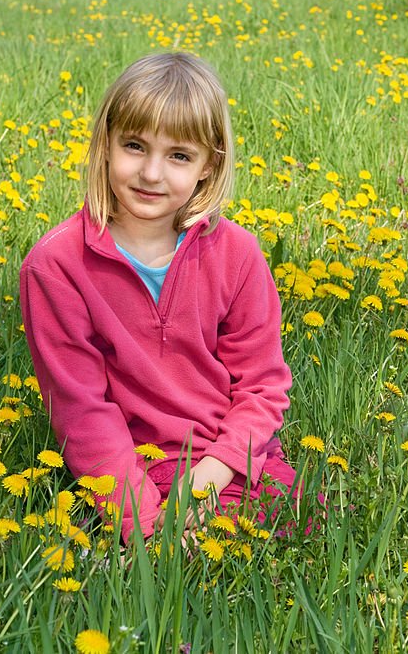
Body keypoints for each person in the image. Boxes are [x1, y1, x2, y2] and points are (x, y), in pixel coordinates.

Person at [19, 52, 296, 545]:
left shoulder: (238, 253)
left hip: (226, 457)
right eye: (134, 146)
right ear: (104, 144)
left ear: (210, 165)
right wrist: (146, 528)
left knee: (300, 526)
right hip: (137, 463)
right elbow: (81, 412)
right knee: (193, 561)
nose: (151, 173)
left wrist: (215, 471)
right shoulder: (56, 265)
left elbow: (262, 386)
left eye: (179, 156)